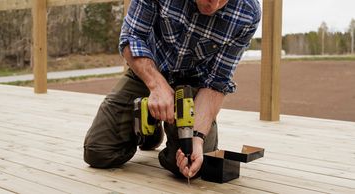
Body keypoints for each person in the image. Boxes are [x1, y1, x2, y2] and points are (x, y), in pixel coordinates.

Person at [83, 0, 261, 179]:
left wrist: (197, 139)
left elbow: (216, 82)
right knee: (98, 152)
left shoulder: (248, 12)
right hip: (148, 70)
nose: (213, 5)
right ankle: (148, 131)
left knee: (192, 163)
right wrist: (156, 86)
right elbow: (131, 37)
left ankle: (163, 131)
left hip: (193, 86)